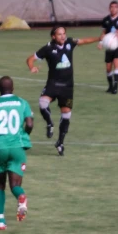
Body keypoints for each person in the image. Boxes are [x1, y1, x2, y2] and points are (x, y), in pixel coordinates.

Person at [26, 25, 99, 156]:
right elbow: (30, 59)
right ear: (53, 36)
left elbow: (83, 41)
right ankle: (49, 123)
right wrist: (32, 67)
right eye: (59, 34)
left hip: (67, 86)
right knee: (43, 104)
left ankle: (60, 142)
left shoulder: (70, 43)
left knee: (66, 115)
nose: (63, 36)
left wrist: (99, 38)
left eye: (64, 33)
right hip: (53, 84)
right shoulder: (48, 48)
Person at [0, 76, 34, 230]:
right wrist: (24, 134)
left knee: (0, 184)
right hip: (17, 147)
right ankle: (20, 196)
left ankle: (1, 221)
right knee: (15, 185)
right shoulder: (22, 102)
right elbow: (30, 123)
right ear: (13, 88)